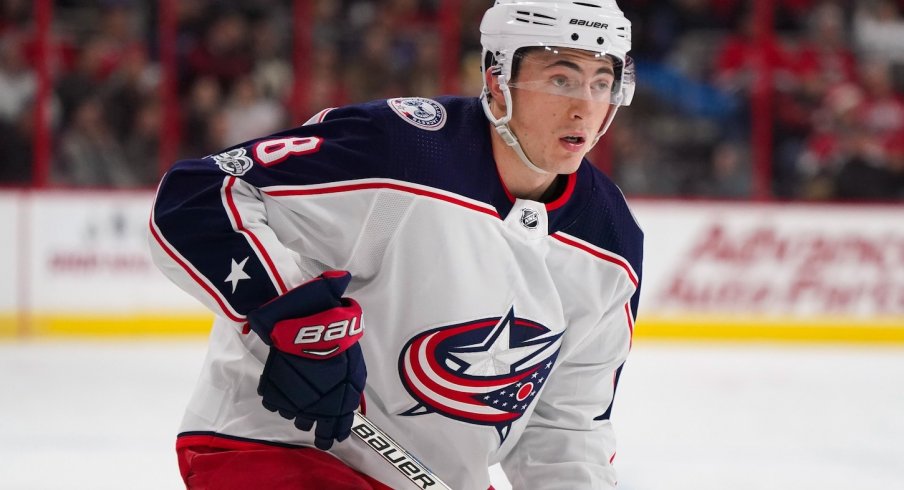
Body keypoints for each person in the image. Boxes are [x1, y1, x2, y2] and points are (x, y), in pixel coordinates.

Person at [149, 1, 643, 488]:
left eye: (602, 83)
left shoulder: (612, 242)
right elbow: (198, 195)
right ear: (497, 79)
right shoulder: (403, 151)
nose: (585, 106)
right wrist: (293, 320)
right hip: (276, 446)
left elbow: (565, 426)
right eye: (561, 79)